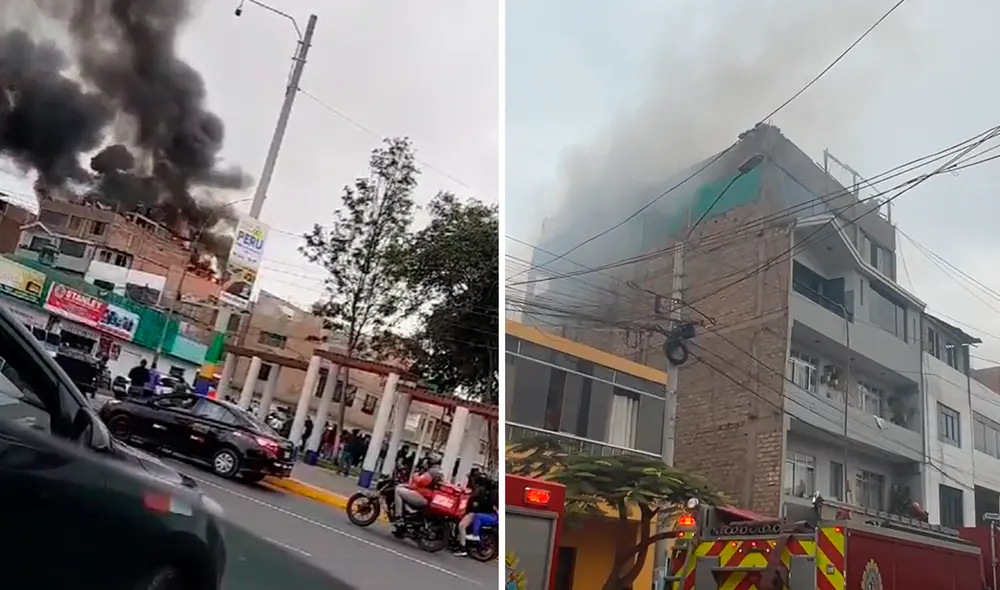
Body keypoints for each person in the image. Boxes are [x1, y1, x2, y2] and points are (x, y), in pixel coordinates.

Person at [453, 473, 498, 557]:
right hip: (479, 513)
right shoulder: (486, 491)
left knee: (461, 526)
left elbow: (470, 497)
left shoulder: (480, 490)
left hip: (473, 513)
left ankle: (462, 548)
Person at [392, 461, 442, 527]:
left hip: (422, 497)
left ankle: (398, 516)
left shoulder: (432, 472)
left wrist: (415, 476)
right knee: (403, 489)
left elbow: (421, 481)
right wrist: (405, 485)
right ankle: (407, 512)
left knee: (398, 491)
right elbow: (417, 486)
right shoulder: (438, 472)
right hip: (425, 496)